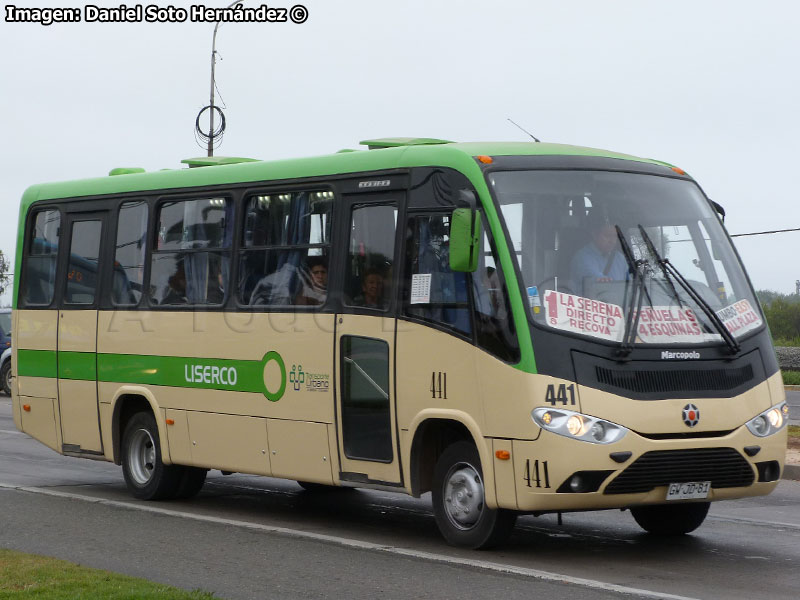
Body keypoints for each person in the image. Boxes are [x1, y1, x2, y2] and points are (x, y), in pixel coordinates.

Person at [569, 212, 628, 296]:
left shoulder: (620, 259)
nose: (612, 241)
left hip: (620, 307)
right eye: (607, 236)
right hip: (588, 308)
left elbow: (631, 285)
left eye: (615, 236)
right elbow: (599, 281)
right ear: (595, 234)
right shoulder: (582, 258)